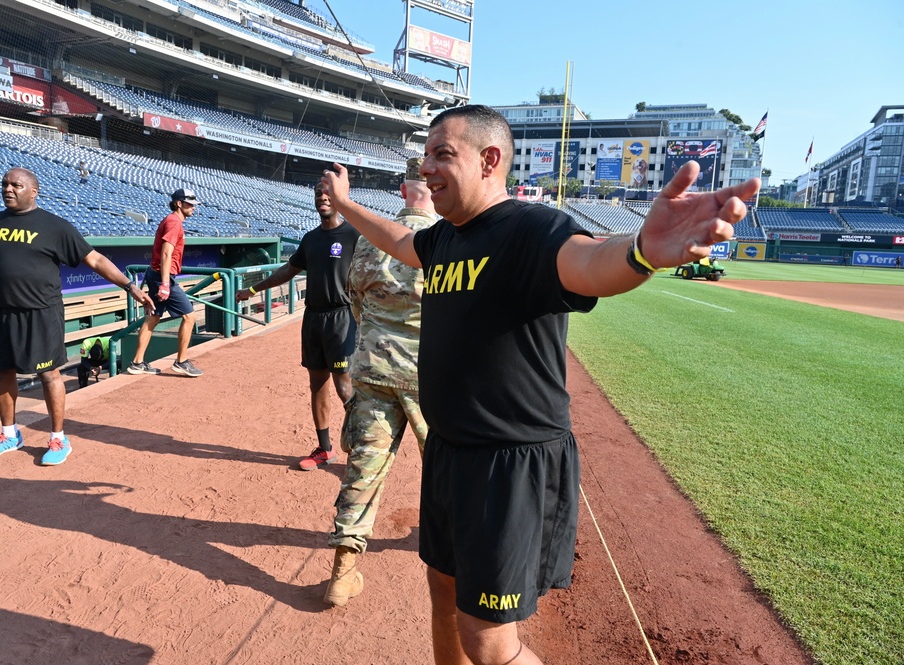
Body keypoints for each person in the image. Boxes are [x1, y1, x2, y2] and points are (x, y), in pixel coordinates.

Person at [321, 104, 759, 665]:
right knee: (443, 590)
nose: (427, 168)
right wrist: (348, 204)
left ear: (490, 160)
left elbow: (591, 262)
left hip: (511, 463)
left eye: (442, 155)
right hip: (452, 454)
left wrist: (642, 252)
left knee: (487, 638)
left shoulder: (532, 228)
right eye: (426, 155)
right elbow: (402, 240)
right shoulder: (446, 240)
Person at [0, 168, 154, 466]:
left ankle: (58, 437)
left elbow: (95, 259)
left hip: (40, 313)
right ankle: (9, 434)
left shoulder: (56, 226)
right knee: (2, 372)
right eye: (4, 185)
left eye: (16, 185)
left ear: (34, 191)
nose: (8, 189)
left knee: (48, 374)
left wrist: (129, 286)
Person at [324, 157, 437, 606]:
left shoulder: (372, 240)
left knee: (363, 472)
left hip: (371, 370)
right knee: (449, 470)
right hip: (429, 375)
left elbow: (355, 301)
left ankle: (342, 571)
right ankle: (464, 558)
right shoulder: (445, 240)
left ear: (402, 191)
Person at [236, 182, 360, 471]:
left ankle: (359, 449)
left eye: (328, 194)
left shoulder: (354, 235)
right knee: (317, 384)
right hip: (313, 318)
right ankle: (325, 449)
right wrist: (253, 291)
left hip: (342, 318)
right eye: (319, 194)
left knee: (345, 387)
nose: (323, 199)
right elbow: (289, 270)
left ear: (340, 198)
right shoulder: (311, 238)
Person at [128, 188, 204, 378]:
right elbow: (165, 253)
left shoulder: (173, 221)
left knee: (153, 317)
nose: (193, 207)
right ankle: (181, 361)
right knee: (190, 316)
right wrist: (165, 284)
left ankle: (137, 363)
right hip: (161, 276)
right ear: (179, 203)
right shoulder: (174, 222)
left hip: (156, 275)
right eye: (189, 204)